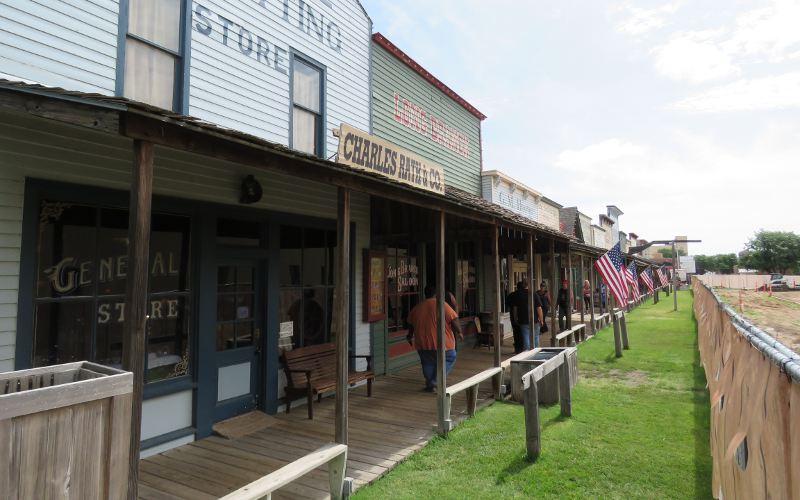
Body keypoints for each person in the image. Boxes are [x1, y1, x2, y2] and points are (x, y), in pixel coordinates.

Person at [406, 284, 463, 392]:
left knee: (427, 362)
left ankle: (430, 384)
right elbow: (454, 320)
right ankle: (435, 382)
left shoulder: (417, 308)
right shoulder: (442, 305)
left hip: (422, 342)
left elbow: (411, 324)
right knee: (450, 357)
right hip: (442, 343)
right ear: (436, 294)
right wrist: (460, 332)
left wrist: (409, 336)